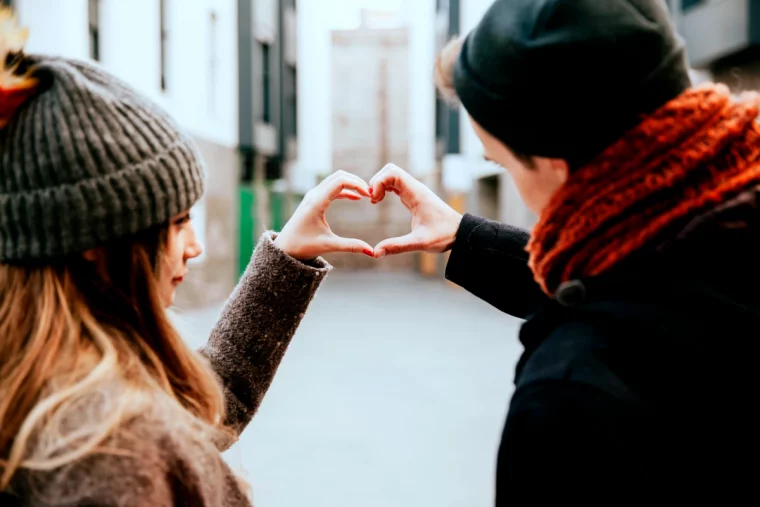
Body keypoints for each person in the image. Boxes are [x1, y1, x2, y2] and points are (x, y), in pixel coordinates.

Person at [369, 0, 758, 502]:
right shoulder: (727, 227)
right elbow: (652, 282)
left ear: (552, 161)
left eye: (503, 162)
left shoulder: (572, 400)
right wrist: (466, 236)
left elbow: (627, 303)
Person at [0, 10, 374, 506]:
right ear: (95, 242)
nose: (194, 247)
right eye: (177, 224)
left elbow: (195, 412)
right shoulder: (114, 455)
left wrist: (287, 256)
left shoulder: (42, 392)